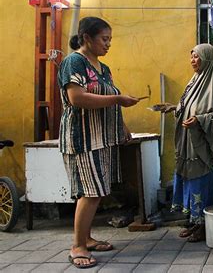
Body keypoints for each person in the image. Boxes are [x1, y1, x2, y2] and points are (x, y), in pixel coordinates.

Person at [58, 16, 139, 268]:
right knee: (90, 192)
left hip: (102, 137)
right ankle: (78, 246)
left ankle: (87, 238)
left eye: (110, 40)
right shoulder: (74, 62)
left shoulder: (103, 68)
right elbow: (77, 98)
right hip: (82, 138)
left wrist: (123, 126)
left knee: (98, 191)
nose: (108, 44)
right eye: (104, 39)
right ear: (86, 38)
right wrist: (118, 100)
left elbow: (111, 96)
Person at [157, 43, 213, 242]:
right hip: (187, 143)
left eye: (196, 57)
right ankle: (194, 222)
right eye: (191, 57)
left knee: (202, 183)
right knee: (190, 181)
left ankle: (204, 226)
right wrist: (174, 108)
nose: (192, 61)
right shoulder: (194, 80)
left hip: (202, 148)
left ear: (207, 58)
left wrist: (200, 120)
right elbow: (189, 107)